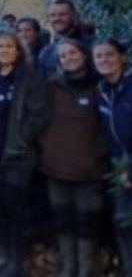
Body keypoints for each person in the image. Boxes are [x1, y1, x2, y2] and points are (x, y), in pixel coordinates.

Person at [0, 30, 47, 277]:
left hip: (18, 156)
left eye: (9, 46)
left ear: (18, 50)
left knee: (16, 209)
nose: (4, 50)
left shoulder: (29, 78)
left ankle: (16, 261)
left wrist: (22, 139)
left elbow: (38, 115)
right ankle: (2, 256)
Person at [38, 39, 108, 277]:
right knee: (63, 219)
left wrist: (100, 153)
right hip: (56, 167)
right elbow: (37, 121)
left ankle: (86, 269)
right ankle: (68, 267)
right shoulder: (51, 87)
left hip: (91, 169)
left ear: (83, 54)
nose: (68, 58)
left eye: (73, 52)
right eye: (63, 55)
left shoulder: (100, 86)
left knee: (88, 223)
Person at [95, 39, 132, 275]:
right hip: (116, 167)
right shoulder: (101, 90)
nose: (104, 60)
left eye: (109, 54)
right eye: (98, 56)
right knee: (121, 222)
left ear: (122, 57)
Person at [39, 0, 94, 75]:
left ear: (74, 16)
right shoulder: (46, 53)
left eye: (62, 14)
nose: (57, 18)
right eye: (53, 15)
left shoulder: (93, 45)